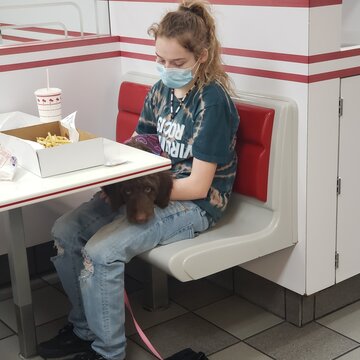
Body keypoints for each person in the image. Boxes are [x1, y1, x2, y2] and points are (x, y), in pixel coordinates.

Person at [37, 1, 240, 359]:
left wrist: (140, 191)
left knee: (101, 252)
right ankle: (84, 330)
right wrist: (117, 172)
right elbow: (144, 142)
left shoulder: (213, 103)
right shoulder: (160, 90)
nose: (165, 69)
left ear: (202, 56)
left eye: (176, 63)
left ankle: (108, 352)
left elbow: (197, 186)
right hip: (149, 188)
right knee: (66, 230)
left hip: (194, 204)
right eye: (160, 59)